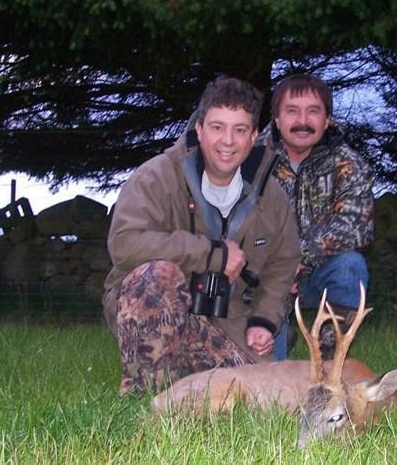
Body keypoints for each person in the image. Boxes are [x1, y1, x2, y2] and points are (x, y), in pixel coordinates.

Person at [102, 76, 301, 394]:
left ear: (254, 136)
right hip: (160, 306)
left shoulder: (272, 195)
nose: (228, 141)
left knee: (264, 398)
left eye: (240, 130)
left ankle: (189, 373)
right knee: (156, 275)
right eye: (217, 127)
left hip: (228, 319)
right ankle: (147, 389)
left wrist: (263, 321)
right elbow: (125, 243)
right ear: (199, 129)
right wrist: (212, 254)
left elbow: (283, 263)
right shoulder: (156, 176)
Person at [256, 74, 375, 360]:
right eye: (292, 111)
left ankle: (328, 359)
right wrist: (276, 266)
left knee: (350, 267)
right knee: (268, 373)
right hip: (263, 276)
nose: (303, 121)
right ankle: (279, 334)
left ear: (327, 120)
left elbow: (357, 227)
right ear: (276, 119)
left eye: (313, 111)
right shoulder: (252, 159)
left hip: (317, 272)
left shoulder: (349, 164)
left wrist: (298, 256)